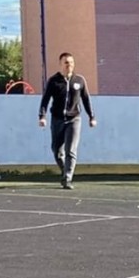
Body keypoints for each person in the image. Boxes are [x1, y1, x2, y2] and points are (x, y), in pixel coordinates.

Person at [38, 52, 97, 189]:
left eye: (71, 62)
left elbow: (86, 100)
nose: (69, 65)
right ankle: (65, 170)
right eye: (66, 62)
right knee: (57, 151)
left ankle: (67, 178)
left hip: (74, 119)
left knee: (71, 150)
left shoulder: (79, 80)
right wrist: (42, 116)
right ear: (60, 64)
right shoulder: (54, 81)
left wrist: (91, 117)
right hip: (57, 119)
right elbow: (45, 100)